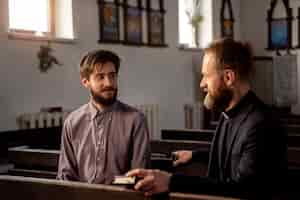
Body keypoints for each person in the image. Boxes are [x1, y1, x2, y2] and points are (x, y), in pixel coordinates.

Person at [126, 38, 287, 198]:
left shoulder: (261, 124)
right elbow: (234, 154)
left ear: (228, 77)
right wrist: (196, 155)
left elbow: (243, 189)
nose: (202, 84)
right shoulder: (230, 113)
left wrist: (171, 182)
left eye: (206, 76)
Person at [57, 49, 151, 184]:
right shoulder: (72, 122)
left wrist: (107, 183)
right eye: (100, 77)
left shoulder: (136, 120)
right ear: (85, 82)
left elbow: (138, 176)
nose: (108, 83)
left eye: (112, 76)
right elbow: (66, 175)